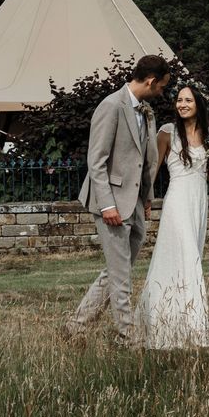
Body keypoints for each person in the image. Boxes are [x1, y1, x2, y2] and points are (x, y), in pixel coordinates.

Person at [64, 55, 170, 346]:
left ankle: (76, 325)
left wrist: (147, 198)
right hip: (109, 201)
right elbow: (96, 162)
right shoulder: (110, 106)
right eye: (161, 87)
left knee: (117, 269)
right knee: (121, 274)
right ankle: (128, 337)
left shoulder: (147, 112)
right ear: (150, 81)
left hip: (135, 201)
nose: (161, 93)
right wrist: (108, 205)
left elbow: (146, 159)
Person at [132, 83, 209, 349]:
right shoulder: (167, 133)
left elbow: (204, 171)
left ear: (198, 104)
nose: (182, 104)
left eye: (188, 100)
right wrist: (145, 198)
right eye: (179, 100)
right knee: (185, 256)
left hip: (198, 202)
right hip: (177, 201)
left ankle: (181, 318)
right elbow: (152, 168)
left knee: (192, 255)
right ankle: (193, 328)